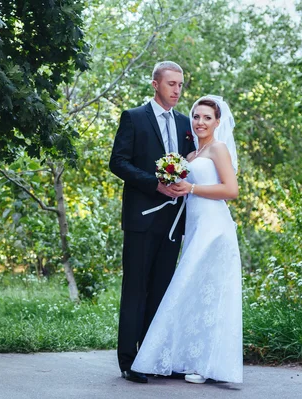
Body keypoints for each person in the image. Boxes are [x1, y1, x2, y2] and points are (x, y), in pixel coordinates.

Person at [131, 95, 243, 384]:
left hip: (214, 228)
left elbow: (231, 190)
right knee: (195, 291)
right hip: (193, 227)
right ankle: (187, 359)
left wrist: (191, 187)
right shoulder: (191, 155)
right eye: (196, 116)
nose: (200, 122)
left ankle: (206, 365)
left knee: (206, 292)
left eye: (207, 117)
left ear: (218, 122)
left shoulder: (218, 149)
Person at [109, 61, 195, 383]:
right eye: (171, 84)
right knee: (135, 290)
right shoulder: (133, 118)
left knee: (160, 290)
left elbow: (190, 166)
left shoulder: (186, 124)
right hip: (141, 219)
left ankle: (153, 356)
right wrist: (154, 184)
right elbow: (117, 162)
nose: (177, 90)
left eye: (181, 85)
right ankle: (129, 362)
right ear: (156, 84)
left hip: (173, 222)